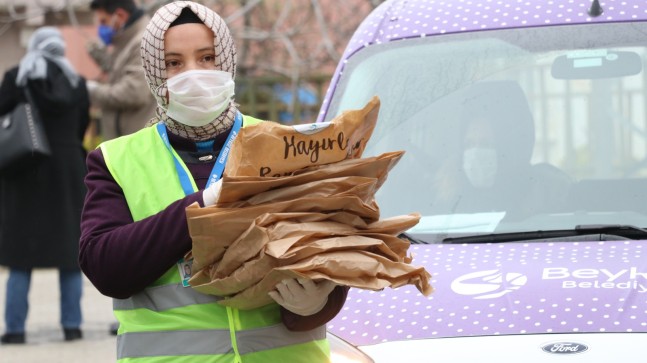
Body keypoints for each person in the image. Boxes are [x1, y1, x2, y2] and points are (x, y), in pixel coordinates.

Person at [79, 2, 347, 362]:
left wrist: (321, 300)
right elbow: (107, 269)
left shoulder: (286, 145)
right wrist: (204, 205)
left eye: (207, 58)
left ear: (227, 61)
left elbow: (333, 244)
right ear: (155, 74)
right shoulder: (116, 159)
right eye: (174, 62)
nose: (194, 73)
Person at [0, 26, 90, 344]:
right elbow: (81, 127)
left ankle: (14, 330)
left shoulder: (16, 78)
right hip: (67, 172)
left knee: (19, 256)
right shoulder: (77, 83)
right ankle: (72, 326)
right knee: (69, 254)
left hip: (26, 170)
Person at [431, 80, 571, 218]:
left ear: (510, 148)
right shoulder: (447, 201)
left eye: (487, 144)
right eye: (469, 144)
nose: (475, 153)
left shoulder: (547, 200)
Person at [86, 0, 157, 141]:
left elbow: (134, 93)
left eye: (103, 21)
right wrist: (102, 58)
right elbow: (119, 74)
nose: (101, 27)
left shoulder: (143, 41)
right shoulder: (125, 40)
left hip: (137, 144)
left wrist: (92, 90)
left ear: (120, 15)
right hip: (125, 141)